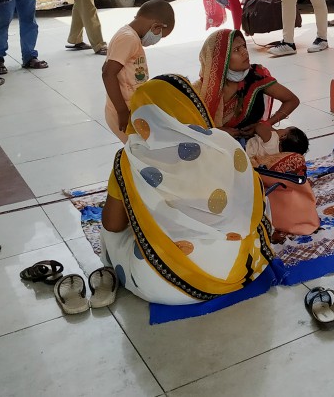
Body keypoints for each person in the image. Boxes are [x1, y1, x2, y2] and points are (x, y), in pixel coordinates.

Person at [99, 74, 273, 305]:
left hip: (163, 283)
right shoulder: (223, 145)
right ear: (193, 105)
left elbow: (113, 224)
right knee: (253, 199)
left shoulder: (130, 158)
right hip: (241, 268)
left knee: (110, 232)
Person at [195, 29, 301, 141]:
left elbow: (292, 100)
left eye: (244, 46)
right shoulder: (200, 90)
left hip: (254, 145)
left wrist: (264, 124)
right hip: (219, 149)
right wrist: (218, 132)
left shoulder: (255, 76)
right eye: (236, 49)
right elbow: (189, 129)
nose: (245, 52)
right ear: (221, 58)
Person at [102, 0, 175, 142]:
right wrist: (122, 111)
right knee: (140, 153)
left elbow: (106, 67)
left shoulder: (129, 36)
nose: (157, 40)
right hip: (123, 112)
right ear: (156, 27)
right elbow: (108, 73)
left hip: (131, 109)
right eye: (160, 36)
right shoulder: (128, 38)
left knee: (143, 151)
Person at [245, 122, 310, 158]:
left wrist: (275, 131)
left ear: (283, 136)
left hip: (245, 147)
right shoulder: (278, 155)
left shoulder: (273, 138)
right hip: (248, 157)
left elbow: (259, 127)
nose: (280, 129)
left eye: (284, 129)